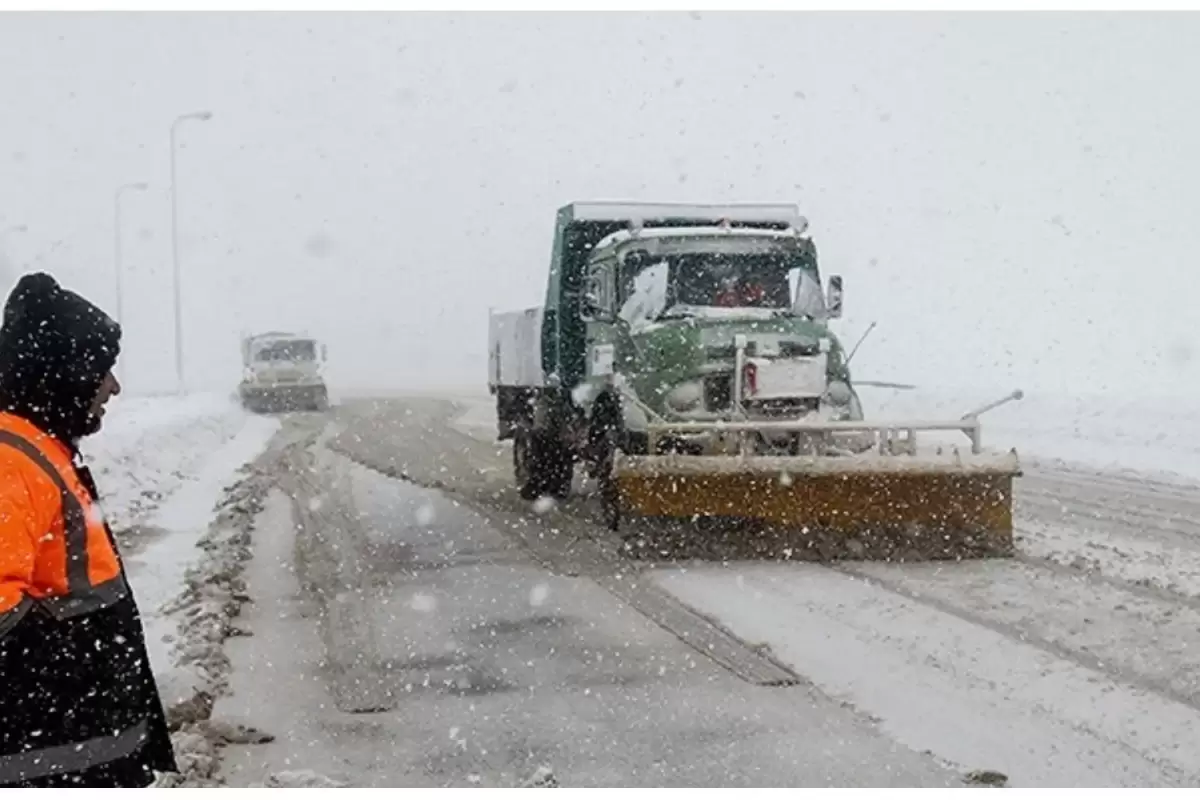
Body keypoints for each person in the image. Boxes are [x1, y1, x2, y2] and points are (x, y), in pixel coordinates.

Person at [0, 272, 177, 787]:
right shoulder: (12, 458)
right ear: (66, 373)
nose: (113, 387)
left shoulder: (40, 446)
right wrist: (74, 663)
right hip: (48, 762)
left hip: (71, 753)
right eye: (103, 370)